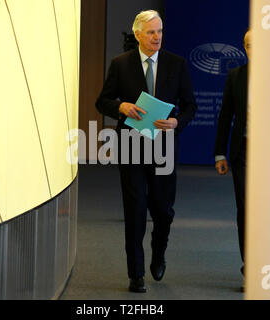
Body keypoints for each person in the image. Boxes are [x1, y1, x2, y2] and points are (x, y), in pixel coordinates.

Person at [96, 10, 196, 293]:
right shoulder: (120, 64)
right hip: (131, 148)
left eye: (160, 31)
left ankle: (158, 253)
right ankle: (136, 273)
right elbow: (102, 100)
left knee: (163, 211)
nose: (157, 37)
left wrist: (178, 121)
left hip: (164, 149)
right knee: (136, 209)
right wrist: (121, 107)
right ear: (138, 34)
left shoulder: (177, 64)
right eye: (151, 32)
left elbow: (190, 105)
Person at [214, 29, 251, 290]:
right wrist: (220, 152)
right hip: (244, 151)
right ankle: (249, 266)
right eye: (249, 45)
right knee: (246, 209)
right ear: (244, 48)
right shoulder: (236, 76)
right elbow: (226, 116)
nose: (254, 49)